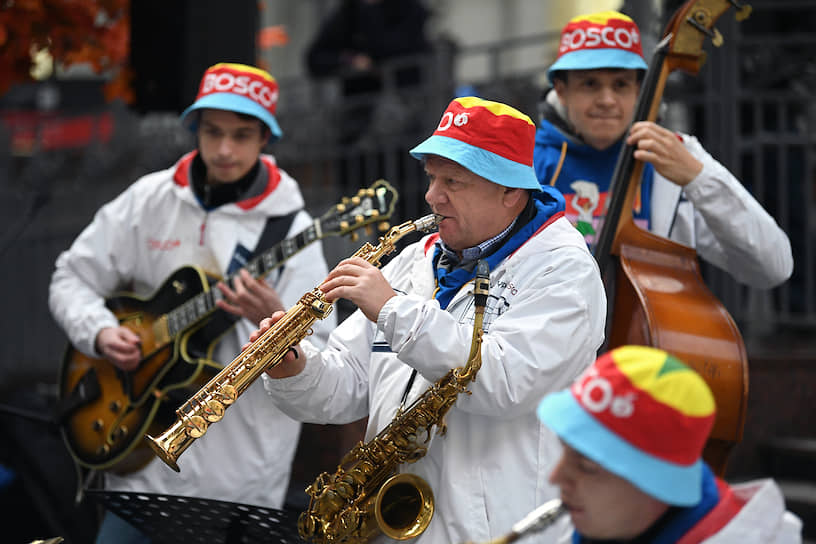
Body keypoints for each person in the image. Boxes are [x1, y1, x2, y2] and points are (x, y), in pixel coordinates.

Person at [250, 96, 607, 543]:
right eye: (432, 177)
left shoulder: (563, 268)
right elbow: (346, 386)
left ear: (511, 191)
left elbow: (505, 383)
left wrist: (393, 310)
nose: (432, 196)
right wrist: (295, 369)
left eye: (453, 181)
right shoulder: (413, 259)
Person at [48, 63, 336, 543]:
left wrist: (272, 326)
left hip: (237, 486)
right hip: (138, 467)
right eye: (213, 132)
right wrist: (98, 331)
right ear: (195, 129)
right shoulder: (150, 200)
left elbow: (317, 365)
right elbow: (71, 276)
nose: (224, 150)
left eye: (242, 135)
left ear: (265, 138)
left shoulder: (294, 231)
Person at [534, 10, 793, 289]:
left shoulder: (676, 155)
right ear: (561, 90)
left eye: (620, 84)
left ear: (639, 90)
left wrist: (699, 177)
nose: (607, 100)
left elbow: (773, 267)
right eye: (590, 84)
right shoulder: (527, 159)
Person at [537, 344, 803, 543]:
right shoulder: (611, 526)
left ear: (659, 485)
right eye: (565, 452)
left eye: (587, 466)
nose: (556, 476)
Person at [305, 0, 432, 146]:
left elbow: (408, 48)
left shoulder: (407, 8)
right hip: (358, 123)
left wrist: (373, 62)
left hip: (403, 115)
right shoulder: (349, 12)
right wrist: (350, 60)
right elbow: (316, 58)